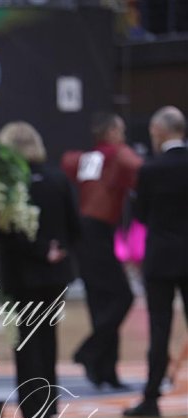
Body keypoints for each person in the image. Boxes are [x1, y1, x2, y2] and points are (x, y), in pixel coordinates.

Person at [0, 122, 80, 418]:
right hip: (56, 274)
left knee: (26, 341)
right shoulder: (58, 178)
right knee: (48, 336)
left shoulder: (9, 184)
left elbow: (5, 233)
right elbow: (75, 226)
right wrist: (56, 250)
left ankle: (33, 410)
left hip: (22, 274)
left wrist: (39, 250)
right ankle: (49, 406)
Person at [62, 112, 142, 388]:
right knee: (123, 296)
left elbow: (69, 164)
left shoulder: (88, 157)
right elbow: (140, 170)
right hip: (97, 232)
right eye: (120, 131)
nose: (124, 136)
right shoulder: (118, 154)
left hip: (87, 233)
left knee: (102, 302)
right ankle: (89, 352)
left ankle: (105, 371)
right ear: (110, 133)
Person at [124, 106, 188, 418]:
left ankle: (151, 398)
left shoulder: (150, 169)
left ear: (159, 131)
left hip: (161, 257)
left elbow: (140, 215)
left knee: (159, 328)